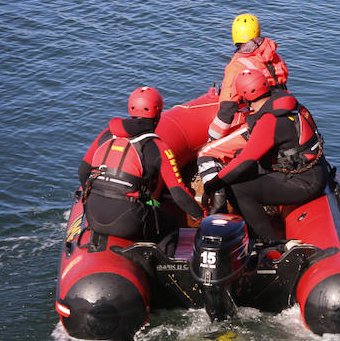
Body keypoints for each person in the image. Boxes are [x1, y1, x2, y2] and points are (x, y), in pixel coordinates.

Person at [201, 69, 327, 243]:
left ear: (244, 98)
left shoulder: (270, 121)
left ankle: (268, 242)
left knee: (236, 188)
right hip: (313, 171)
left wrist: (211, 186)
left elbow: (244, 161)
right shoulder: (288, 105)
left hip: (304, 182)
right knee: (240, 167)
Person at [78, 86, 203, 241]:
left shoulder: (106, 134)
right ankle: (161, 264)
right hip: (127, 220)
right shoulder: (158, 147)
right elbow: (179, 193)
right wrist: (202, 217)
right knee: (170, 223)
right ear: (158, 115)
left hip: (93, 213)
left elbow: (83, 171)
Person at [207, 13, 290, 142]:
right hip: (285, 109)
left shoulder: (236, 66)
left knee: (207, 154)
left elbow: (227, 110)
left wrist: (212, 139)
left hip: (262, 121)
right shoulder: (272, 54)